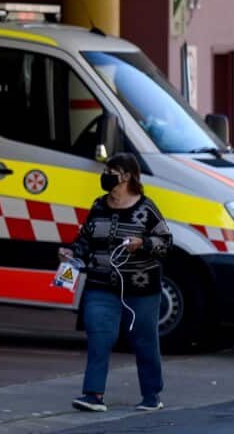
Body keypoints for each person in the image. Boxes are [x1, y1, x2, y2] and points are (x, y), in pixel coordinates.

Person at [58, 153, 172, 413]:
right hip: (100, 283)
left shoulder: (146, 208)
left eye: (112, 171)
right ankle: (93, 395)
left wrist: (142, 244)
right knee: (99, 335)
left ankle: (151, 394)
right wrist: (71, 252)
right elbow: (85, 240)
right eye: (106, 169)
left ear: (128, 176)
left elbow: (166, 242)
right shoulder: (99, 205)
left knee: (144, 339)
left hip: (140, 287)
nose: (106, 175)